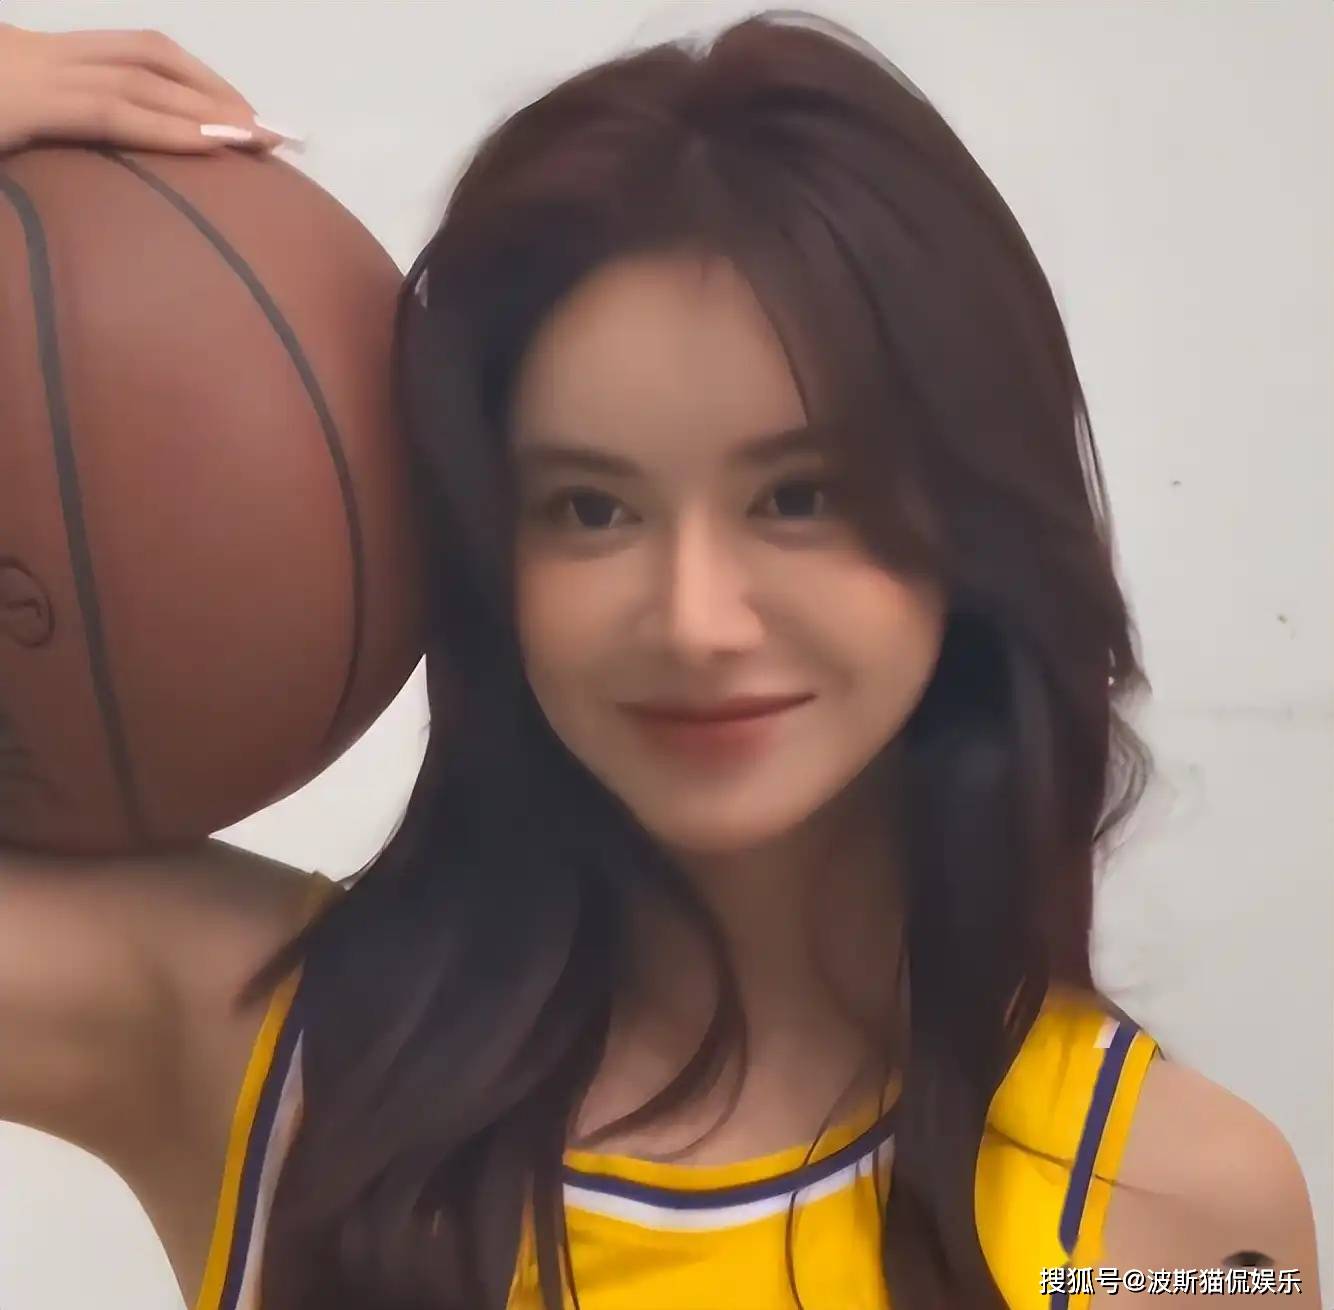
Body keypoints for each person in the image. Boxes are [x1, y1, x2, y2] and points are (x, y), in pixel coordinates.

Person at [0, 12, 1321, 1310]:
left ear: (970, 516)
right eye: (590, 508)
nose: (695, 620)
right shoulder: (259, 1047)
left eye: (797, 495)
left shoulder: (1173, 1229)